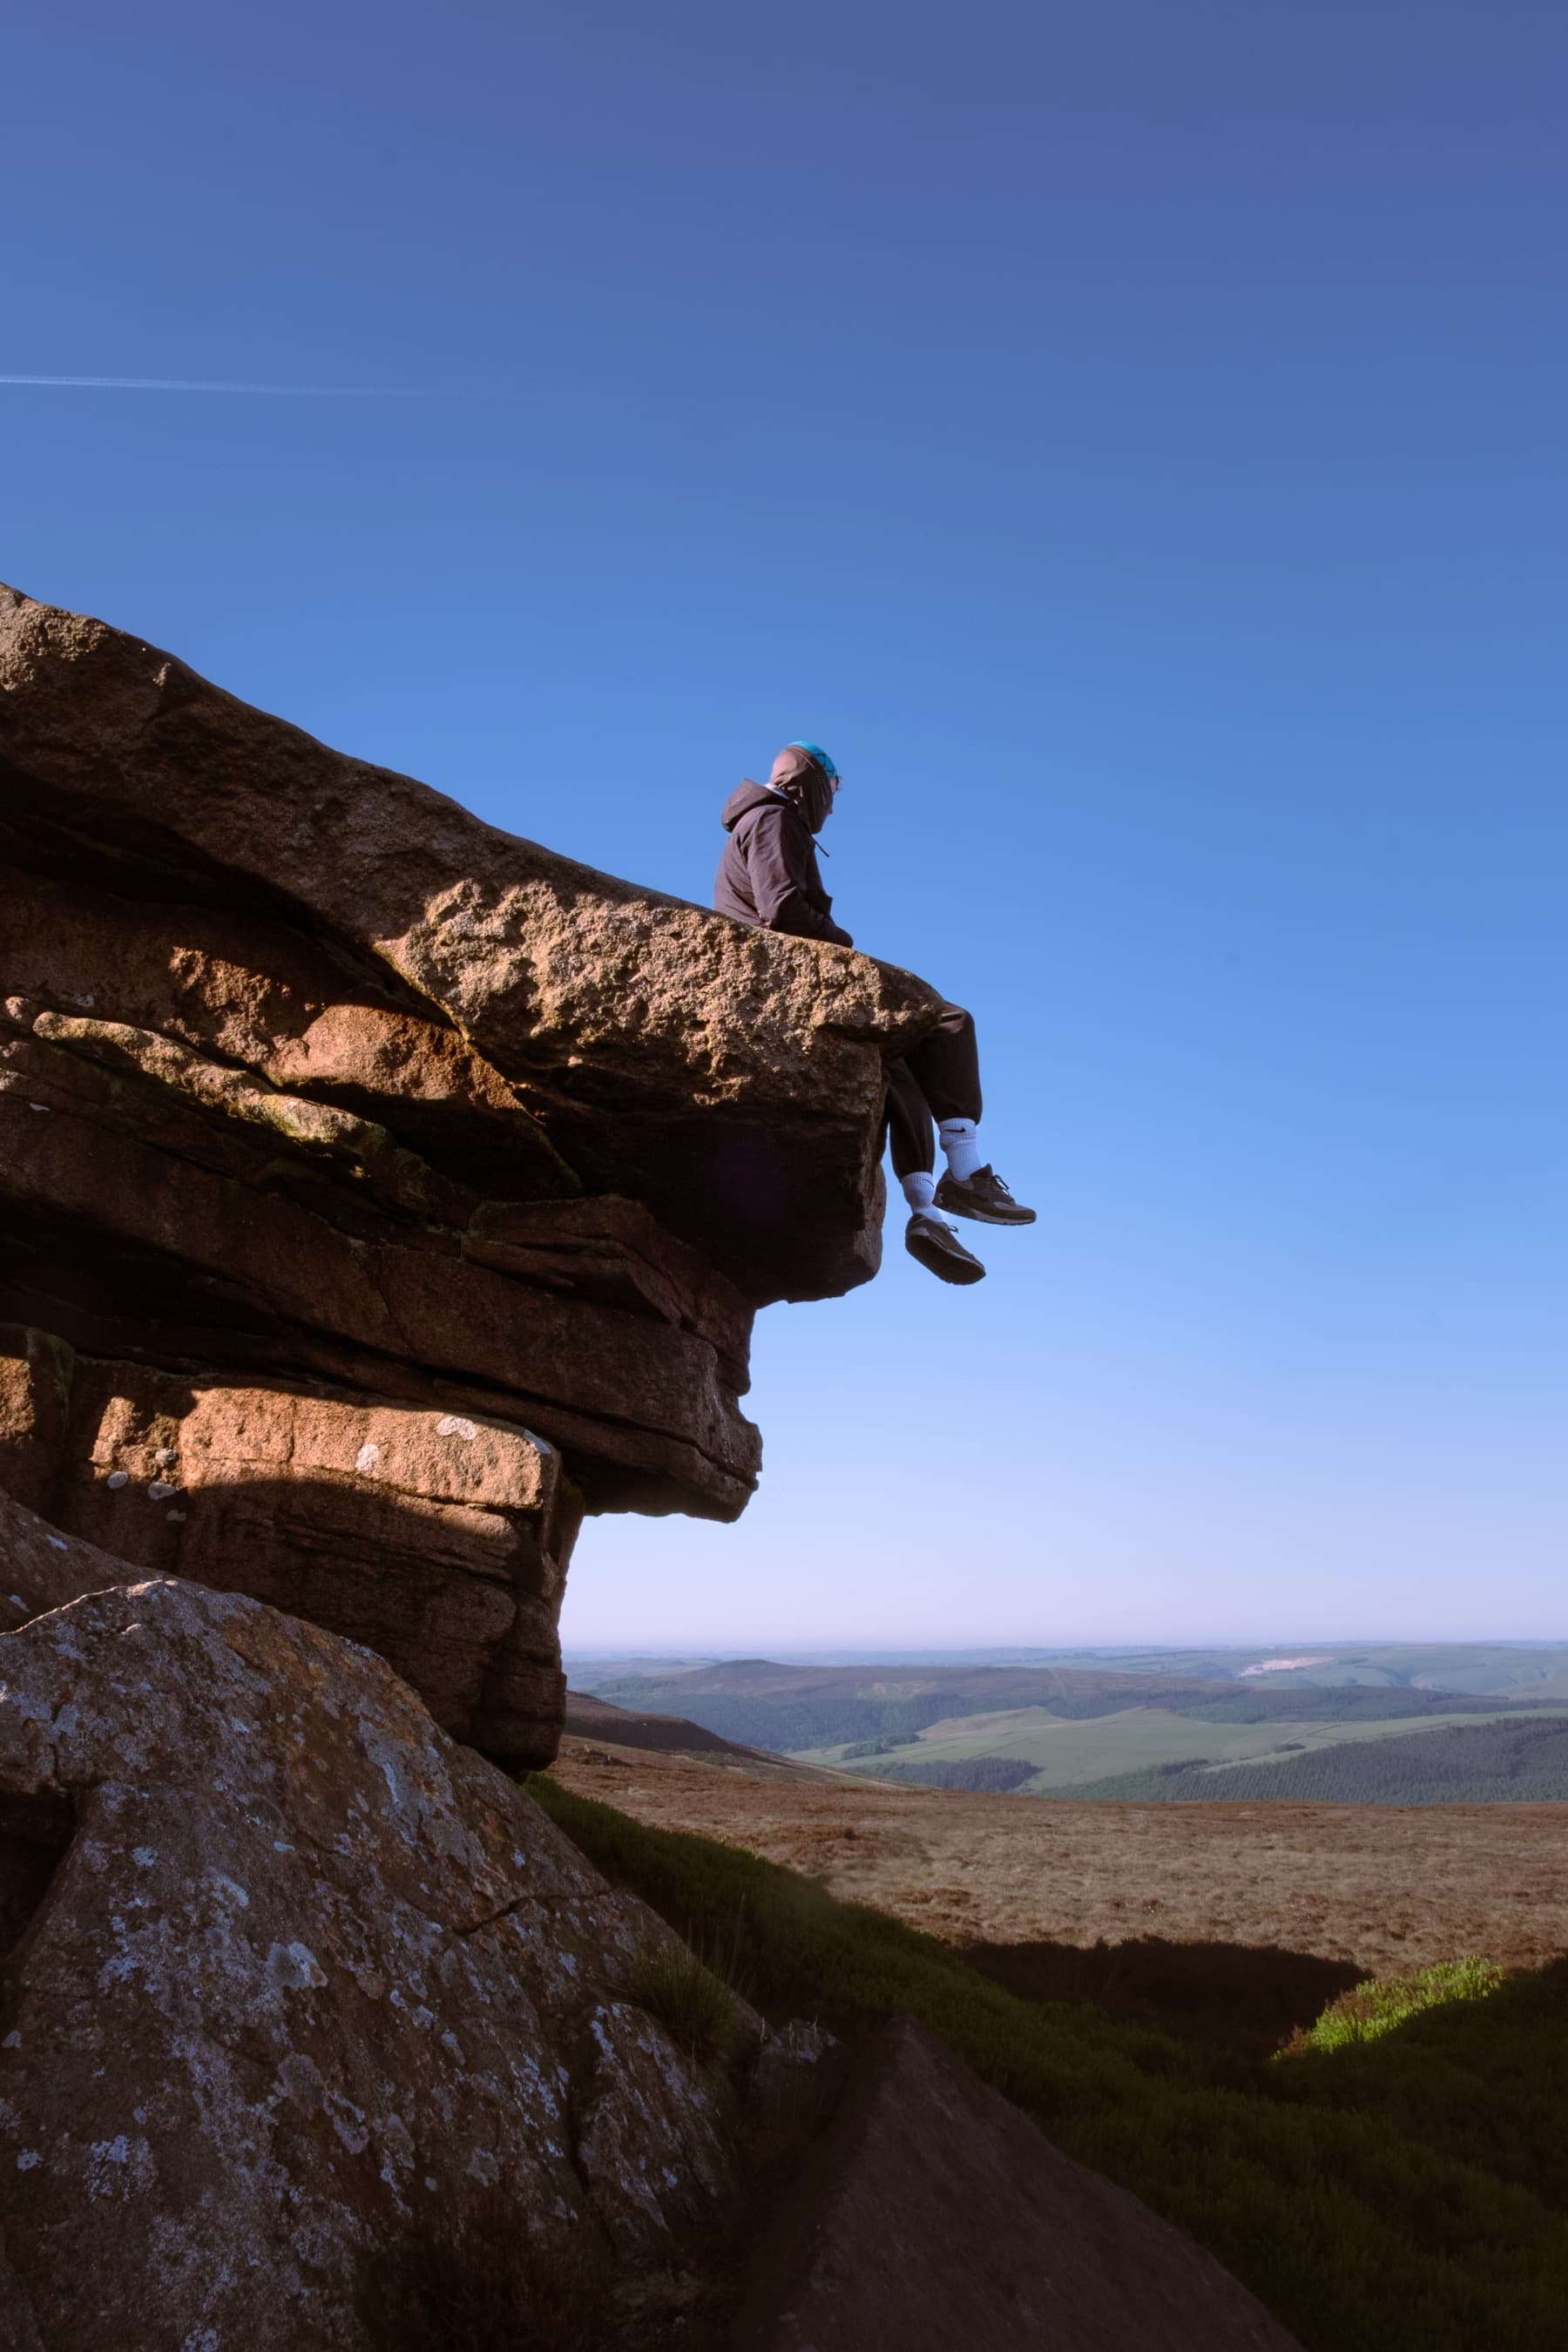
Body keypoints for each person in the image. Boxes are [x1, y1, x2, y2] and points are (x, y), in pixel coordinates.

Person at [713, 740, 1034, 1285]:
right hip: (786, 973)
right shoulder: (773, 817)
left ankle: (926, 1211)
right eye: (831, 792)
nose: (832, 807)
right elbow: (783, 908)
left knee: (900, 1062)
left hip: (783, 971)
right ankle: (968, 1169)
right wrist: (844, 944)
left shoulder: (768, 818)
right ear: (810, 783)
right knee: (948, 1020)